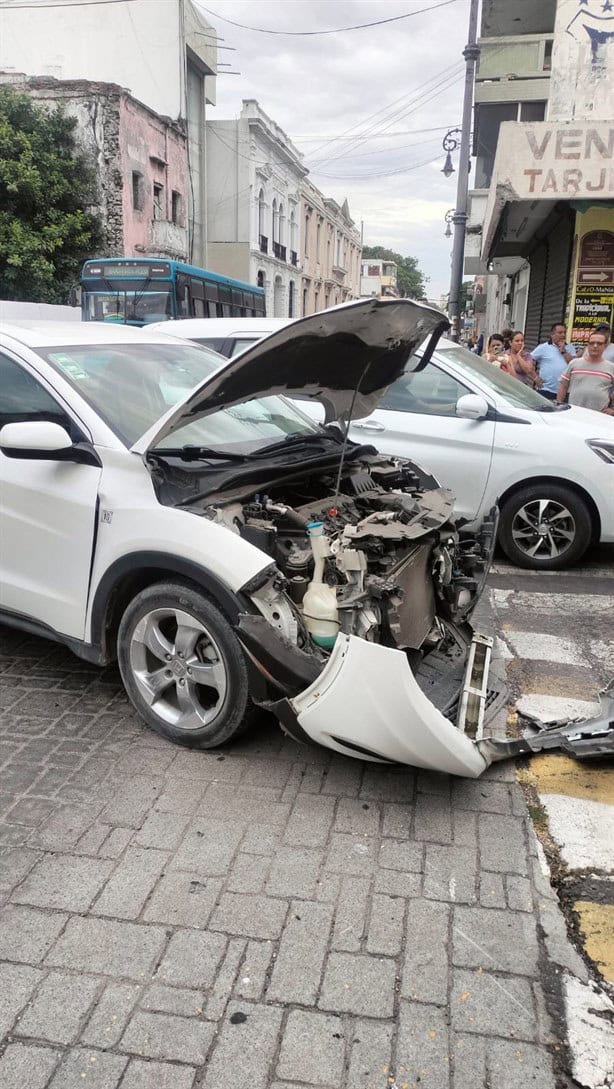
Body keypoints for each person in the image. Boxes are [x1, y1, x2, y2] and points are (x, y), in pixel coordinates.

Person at [557, 329, 614, 414]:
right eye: (592, 343)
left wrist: (612, 409)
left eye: (599, 343)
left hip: (600, 416)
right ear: (587, 345)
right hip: (574, 413)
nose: (595, 346)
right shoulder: (574, 363)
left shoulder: (611, 367)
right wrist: (558, 405)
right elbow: (563, 386)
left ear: (605, 346)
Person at [530, 322, 576, 400]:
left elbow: (574, 364)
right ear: (552, 334)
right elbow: (529, 360)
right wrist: (535, 377)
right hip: (546, 390)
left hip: (564, 391)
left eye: (564, 332)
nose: (563, 335)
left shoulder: (570, 347)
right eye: (560, 332)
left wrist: (564, 351)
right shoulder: (543, 347)